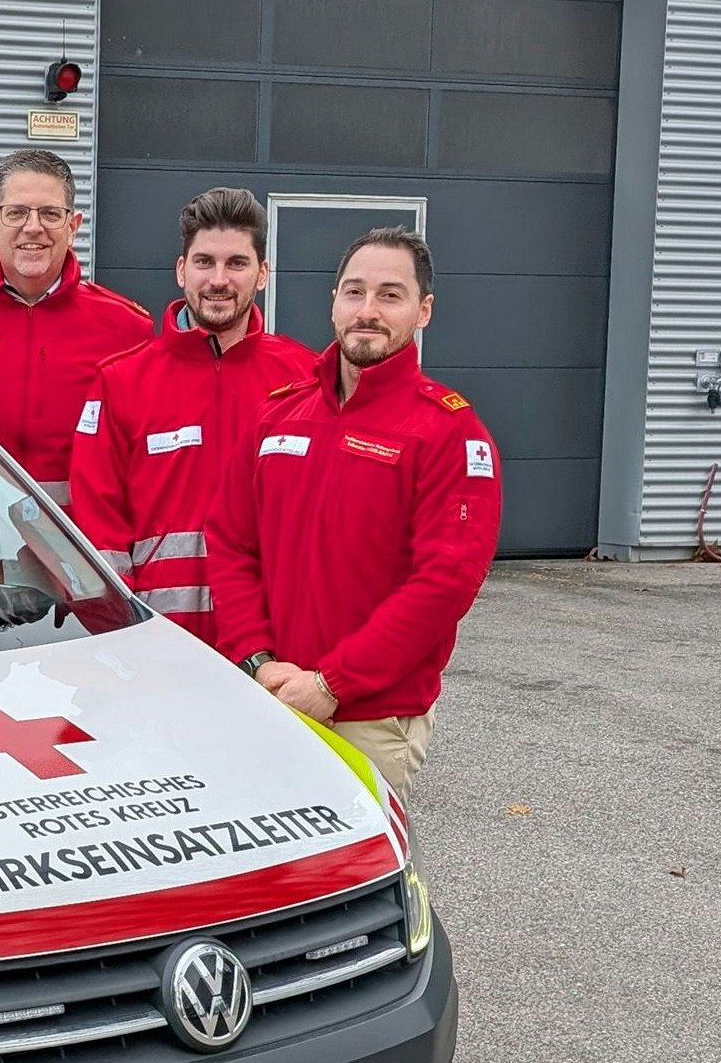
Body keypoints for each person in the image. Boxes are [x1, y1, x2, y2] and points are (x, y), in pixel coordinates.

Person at [206, 227, 502, 804]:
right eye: (354, 292)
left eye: (390, 295)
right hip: (272, 696)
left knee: (352, 888)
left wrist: (332, 684)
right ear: (334, 302)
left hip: (369, 720)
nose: (368, 311)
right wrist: (260, 662)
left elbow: (444, 584)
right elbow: (231, 542)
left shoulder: (449, 432)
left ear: (424, 310)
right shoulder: (279, 417)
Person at [69, 187, 315, 637]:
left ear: (262, 274)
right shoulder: (120, 382)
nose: (218, 279)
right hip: (159, 644)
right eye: (204, 262)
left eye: (236, 263)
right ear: (182, 270)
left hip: (276, 646)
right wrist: (124, 630)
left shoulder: (306, 379)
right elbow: (97, 524)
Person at [0, 149, 150, 496]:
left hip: (79, 545)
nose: (33, 228)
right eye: (16, 213)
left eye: (50, 214)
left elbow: (141, 456)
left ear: (73, 226)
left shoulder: (126, 329)